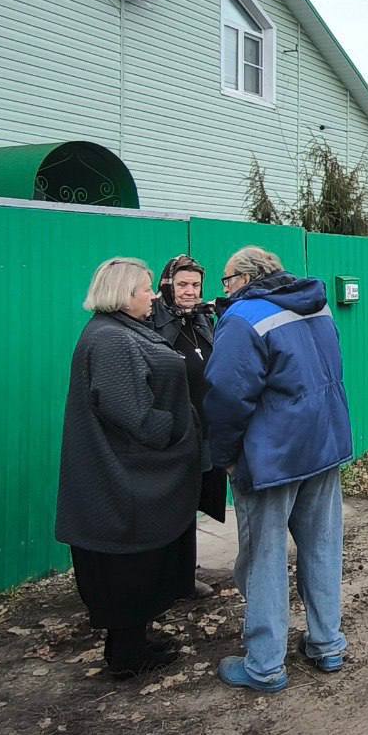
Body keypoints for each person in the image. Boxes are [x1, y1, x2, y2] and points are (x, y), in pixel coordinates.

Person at [204, 246, 353, 693]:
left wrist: (226, 455)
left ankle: (265, 665)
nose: (224, 289)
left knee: (264, 558)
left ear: (246, 277)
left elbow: (227, 395)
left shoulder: (244, 318)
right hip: (323, 445)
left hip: (273, 457)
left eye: (227, 279)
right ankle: (327, 644)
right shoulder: (318, 306)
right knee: (323, 547)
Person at [55, 258, 201, 680]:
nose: (154, 294)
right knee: (128, 566)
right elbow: (130, 412)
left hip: (126, 469)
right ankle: (127, 653)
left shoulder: (121, 330)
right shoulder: (111, 340)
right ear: (123, 294)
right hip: (122, 476)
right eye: (146, 288)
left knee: (140, 564)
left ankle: (136, 640)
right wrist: (172, 429)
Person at [150, 255, 228, 599]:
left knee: (192, 501)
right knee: (170, 505)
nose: (190, 291)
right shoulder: (153, 323)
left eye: (195, 285)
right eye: (182, 284)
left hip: (204, 428)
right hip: (172, 432)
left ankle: (184, 574)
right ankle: (164, 578)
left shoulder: (201, 321)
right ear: (168, 285)